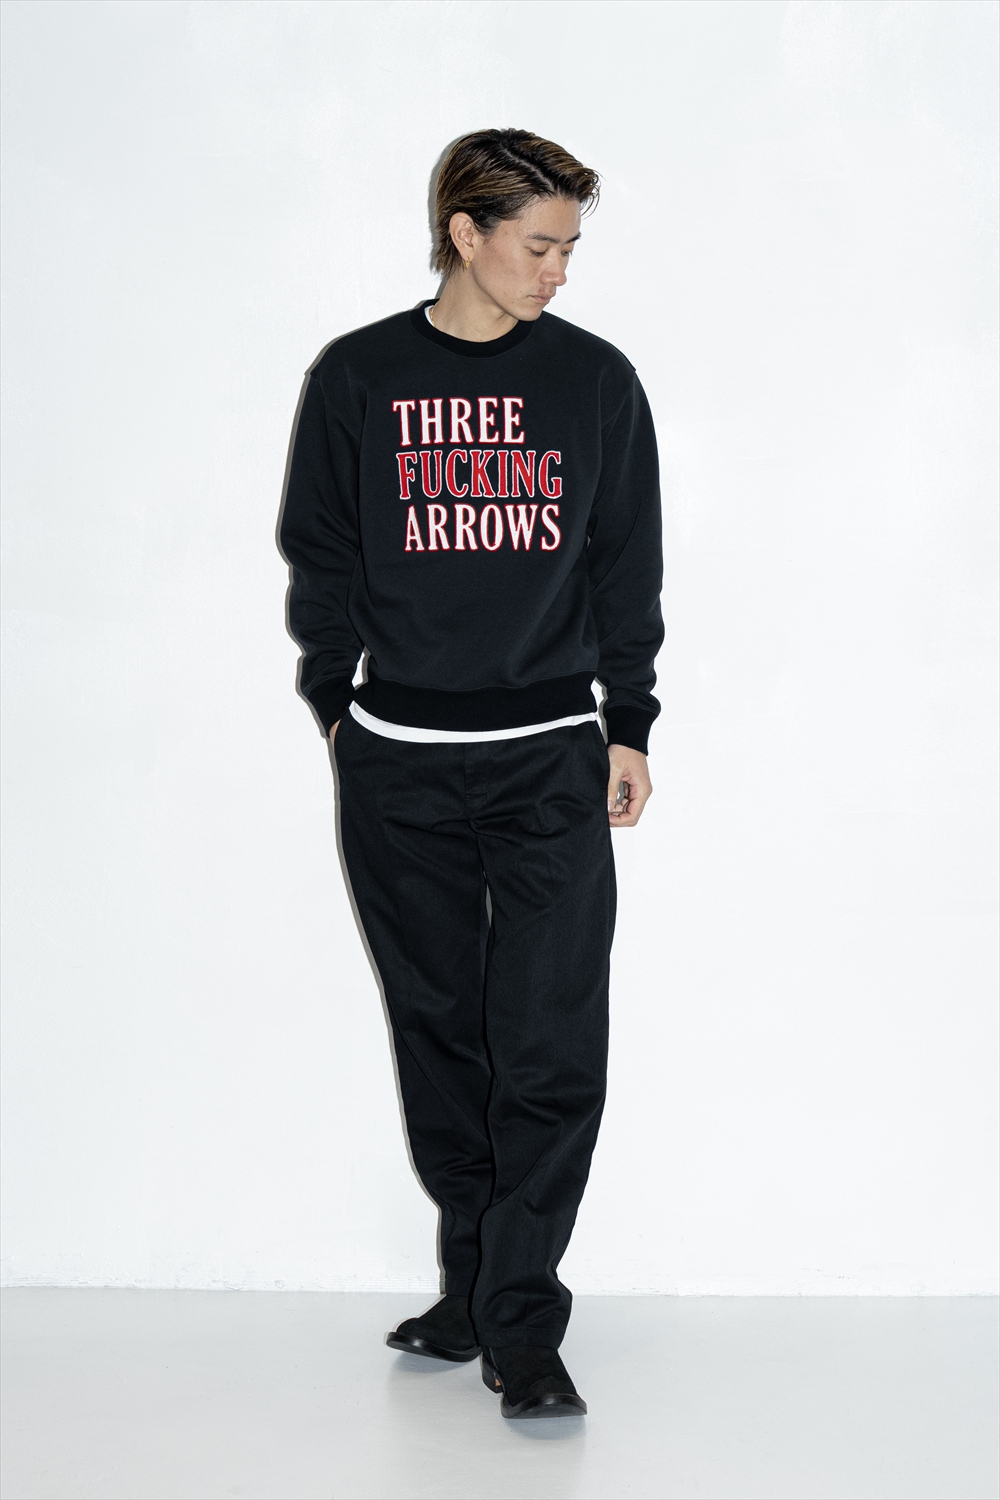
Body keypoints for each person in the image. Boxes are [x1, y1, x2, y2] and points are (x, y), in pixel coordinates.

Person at [279, 128, 663, 1420]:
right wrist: (335, 704)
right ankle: (473, 1285)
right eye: (539, 245)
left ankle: (521, 1320)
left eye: (569, 249)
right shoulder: (361, 376)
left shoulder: (594, 382)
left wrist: (628, 722)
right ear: (466, 233)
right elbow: (322, 551)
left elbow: (625, 563)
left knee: (548, 1044)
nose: (558, 271)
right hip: (399, 767)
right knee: (442, 1035)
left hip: (549, 761)